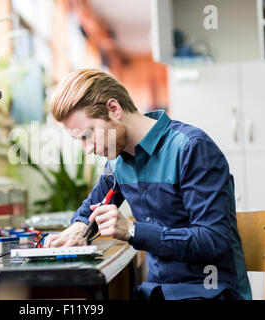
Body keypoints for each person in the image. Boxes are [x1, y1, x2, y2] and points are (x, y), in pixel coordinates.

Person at [43, 68, 252, 300]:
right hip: (158, 293)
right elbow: (89, 210)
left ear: (114, 109)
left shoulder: (191, 148)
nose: (89, 149)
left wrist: (132, 231)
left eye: (88, 135)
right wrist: (80, 227)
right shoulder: (117, 163)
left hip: (210, 291)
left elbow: (213, 239)